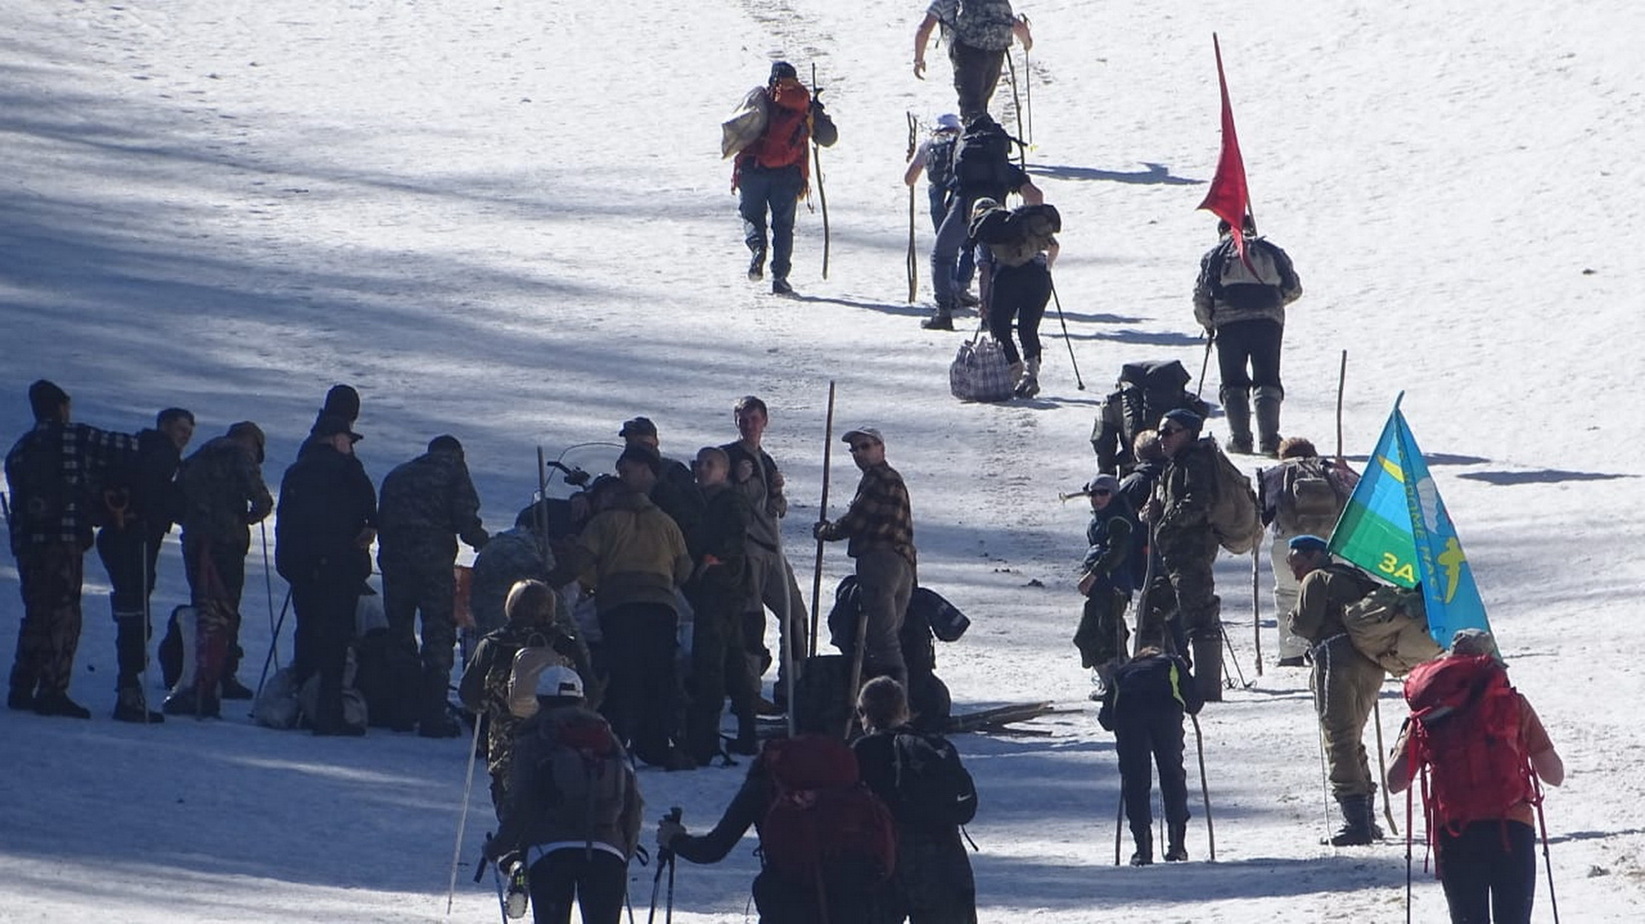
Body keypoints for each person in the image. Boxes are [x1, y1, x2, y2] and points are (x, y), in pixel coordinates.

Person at [655, 671, 896, 923]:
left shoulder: (773, 772)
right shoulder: (852, 770)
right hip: (855, 913)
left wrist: (675, 839)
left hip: (788, 910)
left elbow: (713, 849)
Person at [1387, 630, 1564, 924]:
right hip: (1513, 828)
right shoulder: (1513, 703)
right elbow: (1554, 775)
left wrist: (1407, 737)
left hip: (1456, 831)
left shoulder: (1430, 711)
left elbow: (1396, 782)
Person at [552, 445, 693, 769]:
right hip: (661, 608)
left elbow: (579, 563)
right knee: (658, 674)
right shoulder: (666, 522)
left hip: (620, 608)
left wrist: (550, 579)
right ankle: (657, 743)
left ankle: (616, 739)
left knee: (624, 672)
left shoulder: (605, 523)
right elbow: (684, 568)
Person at [5, 380, 140, 718]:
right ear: (63, 406)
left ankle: (21, 685)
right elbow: (127, 447)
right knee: (64, 613)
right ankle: (53, 689)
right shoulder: (74, 436)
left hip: (27, 543)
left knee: (36, 611)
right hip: (63, 539)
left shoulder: (20, 449)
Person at [485, 665, 643, 924]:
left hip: (549, 851)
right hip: (607, 851)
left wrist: (499, 847)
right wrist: (625, 847)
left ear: (540, 700)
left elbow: (521, 802)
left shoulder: (533, 738)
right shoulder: (607, 737)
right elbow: (632, 800)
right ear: (582, 699)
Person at [377, 434, 490, 737]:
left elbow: (381, 520)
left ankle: (402, 710)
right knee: (437, 633)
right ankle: (432, 714)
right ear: (458, 453)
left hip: (394, 564)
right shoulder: (453, 470)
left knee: (399, 632)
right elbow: (467, 522)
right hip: (432, 565)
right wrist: (487, 545)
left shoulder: (397, 475)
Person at [275, 413, 377, 736]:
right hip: (339, 567)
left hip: (302, 568)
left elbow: (285, 522)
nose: (351, 446)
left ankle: (302, 703)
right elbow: (369, 515)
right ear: (336, 439)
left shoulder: (296, 471)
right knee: (335, 641)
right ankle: (327, 712)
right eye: (348, 440)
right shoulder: (349, 471)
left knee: (306, 631)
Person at [93, 407, 194, 722]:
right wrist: (184, 505)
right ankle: (129, 693)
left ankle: (130, 687)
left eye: (189, 431)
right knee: (135, 612)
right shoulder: (159, 453)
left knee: (132, 610)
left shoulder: (142, 449)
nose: (186, 437)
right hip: (134, 539)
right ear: (165, 427)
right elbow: (156, 496)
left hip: (124, 537)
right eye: (181, 429)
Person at [167, 421, 272, 717]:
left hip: (195, 542)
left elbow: (175, 502)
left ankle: (199, 673)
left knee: (203, 606)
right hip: (227, 542)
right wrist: (250, 516)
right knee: (226, 609)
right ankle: (221, 674)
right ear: (251, 441)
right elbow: (262, 498)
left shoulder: (195, 459)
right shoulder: (240, 455)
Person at [1284, 534, 1385, 845]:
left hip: (1335, 659)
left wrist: (1292, 617)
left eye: (1297, 563)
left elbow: (1303, 625)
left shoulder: (1317, 579)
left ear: (1314, 556)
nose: (1295, 572)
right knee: (1352, 738)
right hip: (1370, 664)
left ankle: (1356, 823)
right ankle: (1366, 819)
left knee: (1339, 739)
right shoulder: (1354, 577)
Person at [853, 676, 978, 923]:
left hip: (881, 860)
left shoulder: (859, 752)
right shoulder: (934, 749)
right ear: (906, 711)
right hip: (941, 857)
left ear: (862, 713)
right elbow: (966, 809)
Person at [461, 580, 592, 816]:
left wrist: (488, 702)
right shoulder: (564, 645)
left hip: (507, 744)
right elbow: (589, 692)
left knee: (511, 807)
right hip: (559, 739)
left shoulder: (493, 644)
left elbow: (470, 696)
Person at [721, 395, 808, 710]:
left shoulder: (766, 460)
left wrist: (777, 495)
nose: (748, 425)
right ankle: (750, 692)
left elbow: (776, 507)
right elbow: (718, 498)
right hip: (747, 549)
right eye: (743, 419)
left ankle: (794, 687)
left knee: (796, 615)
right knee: (751, 619)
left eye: (754, 419)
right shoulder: (727, 457)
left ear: (765, 422)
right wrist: (737, 481)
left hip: (772, 547)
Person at [815, 427, 917, 688]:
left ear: (881, 449)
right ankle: (889, 702)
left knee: (882, 644)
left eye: (865, 446)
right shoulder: (893, 478)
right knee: (889, 636)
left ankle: (895, 708)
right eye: (854, 449)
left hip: (880, 563)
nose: (859, 453)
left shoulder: (878, 478)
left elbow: (856, 521)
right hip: (903, 565)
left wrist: (826, 531)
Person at [1192, 217, 1303, 456]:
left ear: (1222, 230)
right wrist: (1272, 304)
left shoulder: (1214, 256)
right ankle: (1270, 440)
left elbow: (1201, 296)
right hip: (1268, 324)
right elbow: (1294, 288)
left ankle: (1240, 439)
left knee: (1233, 381)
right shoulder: (1271, 251)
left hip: (1229, 324)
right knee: (1267, 377)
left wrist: (1209, 322)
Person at [922, 113, 1043, 331]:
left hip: (962, 211)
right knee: (991, 265)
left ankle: (943, 313)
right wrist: (1025, 223)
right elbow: (1035, 195)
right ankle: (991, 317)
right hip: (993, 216)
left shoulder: (962, 158)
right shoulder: (1002, 167)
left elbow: (940, 180)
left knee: (941, 256)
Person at [732, 61, 838, 297]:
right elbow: (829, 138)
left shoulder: (759, 98)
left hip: (753, 169)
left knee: (751, 215)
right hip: (787, 174)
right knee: (783, 226)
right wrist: (816, 113)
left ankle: (758, 248)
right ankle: (780, 278)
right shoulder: (804, 105)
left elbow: (736, 129)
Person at [1140, 409, 1224, 702]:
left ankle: (1207, 690)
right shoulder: (1174, 464)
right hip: (1175, 555)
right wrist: (1151, 512)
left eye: (1168, 432)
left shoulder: (1196, 461)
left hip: (1193, 553)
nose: (1161, 438)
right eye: (1160, 432)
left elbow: (1197, 502)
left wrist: (1166, 523)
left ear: (1187, 433)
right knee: (1152, 608)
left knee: (1200, 616)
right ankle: (1154, 679)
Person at [683, 446, 759, 763]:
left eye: (709, 464)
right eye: (698, 464)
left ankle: (706, 739)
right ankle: (745, 733)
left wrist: (710, 561)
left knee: (712, 662)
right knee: (732, 662)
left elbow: (733, 540)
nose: (701, 469)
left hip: (722, 590)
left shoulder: (729, 501)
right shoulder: (706, 502)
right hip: (720, 590)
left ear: (723, 471)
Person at [1257, 438, 1358, 667]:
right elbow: (1363, 498)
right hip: (1331, 544)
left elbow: (1261, 516)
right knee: (1331, 596)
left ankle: (1291, 654)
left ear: (1283, 456)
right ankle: (1330, 649)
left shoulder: (1277, 473)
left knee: (1287, 595)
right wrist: (1347, 470)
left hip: (1289, 545)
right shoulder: (1332, 472)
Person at [1097, 646, 1203, 865]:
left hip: (1129, 716)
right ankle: (1177, 845)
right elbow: (1194, 703)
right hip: (1165, 714)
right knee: (1172, 774)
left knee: (1135, 780)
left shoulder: (1123, 672)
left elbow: (1106, 720)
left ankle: (1142, 849)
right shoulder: (1173, 663)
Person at [969, 197, 1059, 396]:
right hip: (1038, 278)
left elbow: (984, 269)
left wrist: (983, 301)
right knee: (1028, 328)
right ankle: (1031, 375)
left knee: (999, 325)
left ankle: (1013, 366)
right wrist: (1047, 267)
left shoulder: (986, 230)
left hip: (1007, 278)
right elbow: (1054, 247)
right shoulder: (1021, 224)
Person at [1071, 474, 1141, 694]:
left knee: (1111, 635)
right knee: (1087, 635)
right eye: (1093, 493)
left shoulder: (1118, 520)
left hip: (1114, 586)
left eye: (1103, 493)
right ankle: (1110, 683)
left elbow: (1117, 552)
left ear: (1113, 494)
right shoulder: (1100, 520)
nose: (1097, 498)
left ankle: (1119, 685)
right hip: (1100, 588)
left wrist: (1092, 574)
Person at [912, 1, 1034, 122]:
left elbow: (924, 30)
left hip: (967, 52)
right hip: (996, 51)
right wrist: (1027, 43)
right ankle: (983, 135)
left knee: (971, 108)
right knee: (981, 104)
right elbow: (1016, 24)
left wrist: (918, 60)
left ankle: (975, 138)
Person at [904, 113, 977, 307]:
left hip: (937, 195)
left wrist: (914, 159)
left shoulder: (927, 145)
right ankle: (961, 286)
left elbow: (909, 179)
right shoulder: (964, 142)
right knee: (969, 242)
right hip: (960, 196)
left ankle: (949, 288)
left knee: (944, 245)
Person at [619, 416, 703, 540]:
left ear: (655, 442)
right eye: (631, 443)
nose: (637, 448)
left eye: (643, 443)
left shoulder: (674, 470)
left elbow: (693, 512)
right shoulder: (626, 468)